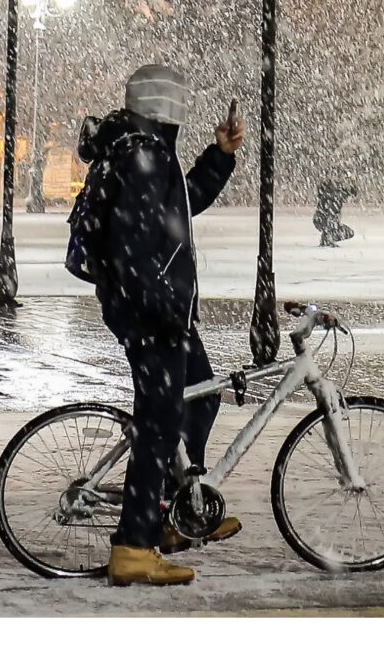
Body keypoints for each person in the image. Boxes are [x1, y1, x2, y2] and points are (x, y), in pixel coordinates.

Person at [78, 63, 243, 587]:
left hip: (157, 309)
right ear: (165, 106)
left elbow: (180, 205)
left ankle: (176, 512)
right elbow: (132, 246)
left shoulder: (145, 149)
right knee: (158, 423)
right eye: (178, 103)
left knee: (201, 395)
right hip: (151, 313)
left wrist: (219, 156)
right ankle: (134, 546)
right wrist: (160, 309)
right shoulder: (142, 154)